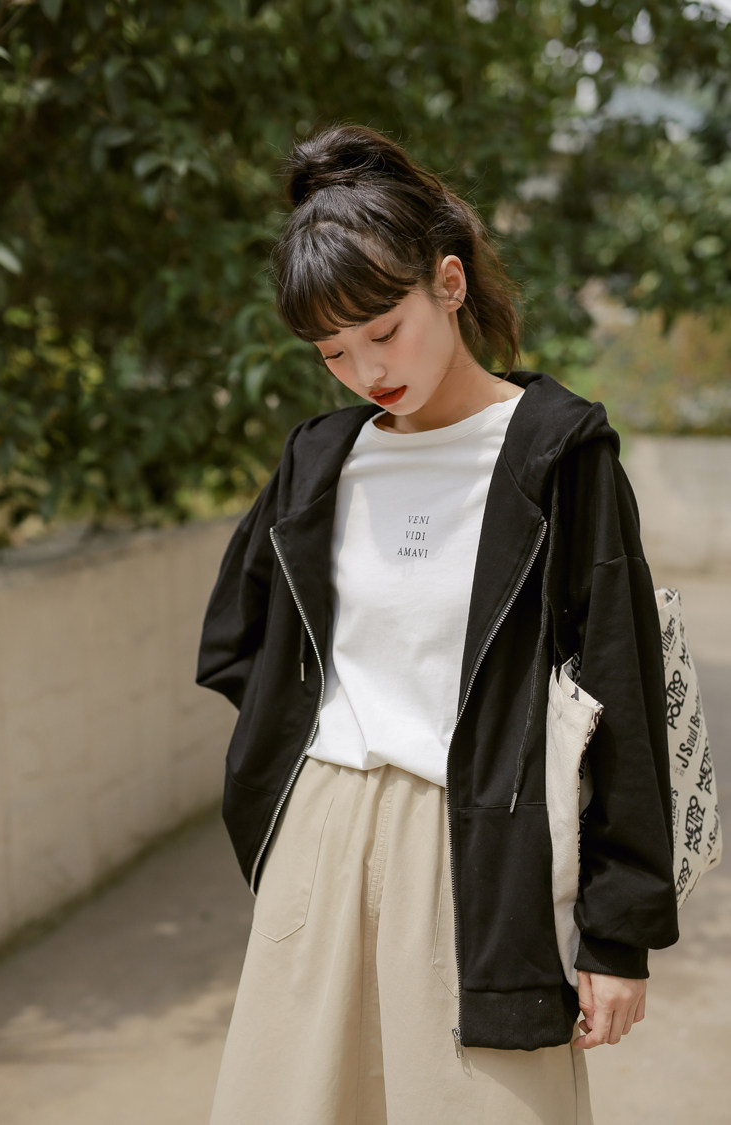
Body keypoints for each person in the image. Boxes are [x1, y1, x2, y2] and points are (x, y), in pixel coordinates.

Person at [195, 123, 679, 1125]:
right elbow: (240, 640)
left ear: (448, 283)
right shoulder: (321, 462)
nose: (365, 368)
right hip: (322, 839)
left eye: (383, 329)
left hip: (482, 848)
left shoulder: (556, 456)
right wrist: (305, 755)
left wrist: (618, 931)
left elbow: (621, 685)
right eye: (333, 350)